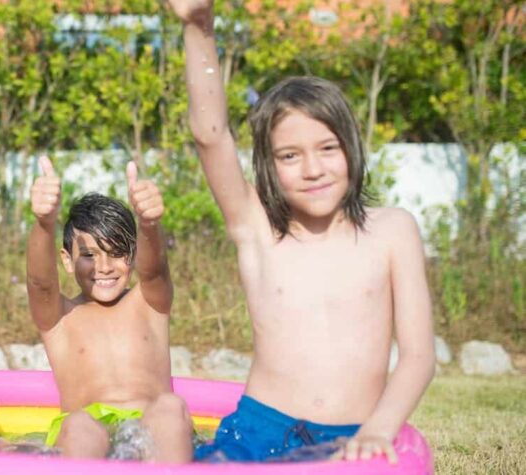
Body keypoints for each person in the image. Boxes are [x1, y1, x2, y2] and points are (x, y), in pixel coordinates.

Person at [167, 0, 436, 463]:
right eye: (290, 156)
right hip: (257, 432)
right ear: (268, 167)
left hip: (351, 432)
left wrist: (377, 431)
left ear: (351, 146)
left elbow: (417, 356)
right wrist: (199, 26)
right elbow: (211, 135)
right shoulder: (257, 229)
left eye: (327, 148)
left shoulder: (392, 231)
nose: (313, 168)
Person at [26, 157, 193, 462]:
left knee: (171, 408)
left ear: (133, 255)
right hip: (87, 431)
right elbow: (40, 284)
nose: (103, 267)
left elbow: (154, 270)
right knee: (78, 425)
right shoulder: (60, 318)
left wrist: (149, 224)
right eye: (89, 255)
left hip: (150, 425)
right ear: (66, 260)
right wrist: (44, 223)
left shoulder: (148, 303)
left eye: (117, 254)